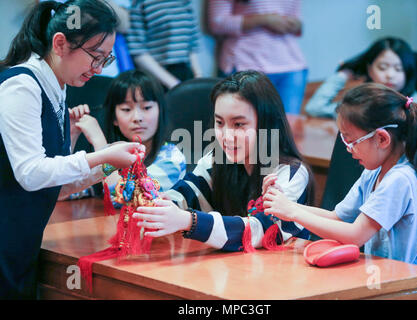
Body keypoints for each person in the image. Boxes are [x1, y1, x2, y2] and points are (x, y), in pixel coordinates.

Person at [0, 0, 145, 299]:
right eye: (95, 56)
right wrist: (103, 154)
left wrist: (109, 164)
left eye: (106, 59)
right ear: (60, 43)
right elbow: (30, 173)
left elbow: (58, 186)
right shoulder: (22, 86)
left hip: (20, 241)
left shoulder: (58, 89)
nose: (98, 68)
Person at [263, 83, 417, 299]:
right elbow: (338, 217)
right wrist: (286, 204)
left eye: (351, 141)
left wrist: (293, 213)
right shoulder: (374, 171)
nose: (347, 149)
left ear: (382, 139)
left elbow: (355, 236)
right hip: (393, 280)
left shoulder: (400, 179)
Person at [132, 70, 314, 251]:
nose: (226, 136)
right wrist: (158, 205)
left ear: (267, 123)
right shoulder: (216, 158)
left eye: (239, 124)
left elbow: (261, 231)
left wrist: (188, 221)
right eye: (219, 123)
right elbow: (188, 193)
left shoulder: (291, 172)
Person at [68, 69, 186, 200]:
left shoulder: (171, 157)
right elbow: (63, 192)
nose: (137, 118)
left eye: (146, 107)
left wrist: (99, 142)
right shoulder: (115, 152)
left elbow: (128, 197)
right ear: (114, 118)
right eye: (126, 109)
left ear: (160, 112)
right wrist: (72, 134)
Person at [208, 0, 308, 115]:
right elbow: (217, 23)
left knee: (287, 129)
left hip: (291, 66)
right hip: (245, 64)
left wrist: (295, 24)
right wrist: (264, 20)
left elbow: (297, 19)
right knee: (247, 128)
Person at [305, 37, 417, 118]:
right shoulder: (362, 101)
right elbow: (315, 108)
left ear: (408, 72)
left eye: (398, 69)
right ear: (370, 69)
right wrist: (343, 75)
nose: (390, 75)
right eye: (382, 67)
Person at [126, 0, 202, 89]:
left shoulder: (185, 2)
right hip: (158, 76)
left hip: (186, 73)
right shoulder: (142, 3)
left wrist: (198, 78)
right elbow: (137, 50)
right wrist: (173, 84)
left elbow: (192, 44)